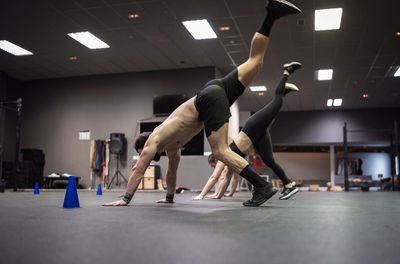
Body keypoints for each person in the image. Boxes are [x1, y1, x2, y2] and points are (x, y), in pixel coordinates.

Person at [103, 0, 302, 207]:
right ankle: (271, 15)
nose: (147, 157)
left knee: (220, 151)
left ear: (144, 146)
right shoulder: (171, 147)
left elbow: (138, 169)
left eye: (143, 153)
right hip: (214, 91)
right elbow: (172, 172)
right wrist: (170, 197)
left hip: (207, 99)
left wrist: (125, 199)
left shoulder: (155, 138)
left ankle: (262, 186)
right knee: (255, 62)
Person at [192, 62, 301, 201]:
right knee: (269, 161)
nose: (215, 167)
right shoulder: (229, 161)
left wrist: (202, 195)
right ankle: (288, 184)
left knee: (277, 102)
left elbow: (216, 177)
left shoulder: (221, 156)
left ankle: (287, 72)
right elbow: (227, 177)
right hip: (257, 133)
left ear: (215, 159)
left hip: (252, 127)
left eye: (213, 165)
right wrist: (219, 195)